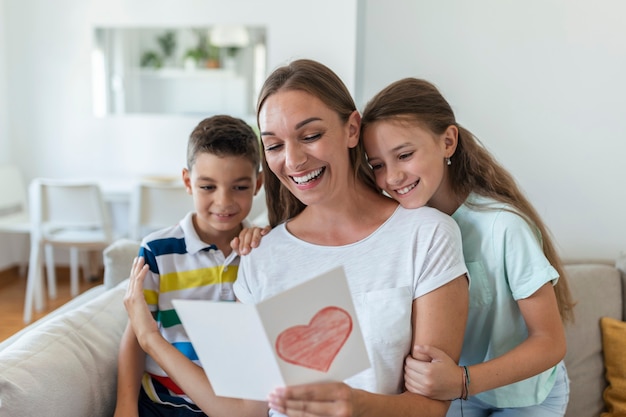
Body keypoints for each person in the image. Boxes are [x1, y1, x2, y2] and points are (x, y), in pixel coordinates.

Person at [123, 59, 469, 417]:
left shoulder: (426, 235)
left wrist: (361, 406)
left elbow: (431, 406)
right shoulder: (261, 255)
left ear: (352, 129)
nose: (293, 160)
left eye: (310, 136)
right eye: (274, 145)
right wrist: (149, 339)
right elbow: (245, 410)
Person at [360, 77, 574, 416]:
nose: (392, 177)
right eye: (378, 165)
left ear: (447, 142)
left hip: (524, 394)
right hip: (458, 394)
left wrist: (461, 380)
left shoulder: (503, 226)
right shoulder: (401, 230)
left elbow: (550, 342)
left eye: (404, 155)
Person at [114, 114, 263, 417]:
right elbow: (136, 335)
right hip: (163, 403)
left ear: (257, 184)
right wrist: (125, 406)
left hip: (231, 403)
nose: (224, 202)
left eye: (239, 188)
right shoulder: (157, 251)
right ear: (187, 182)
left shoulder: (260, 250)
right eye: (208, 187)